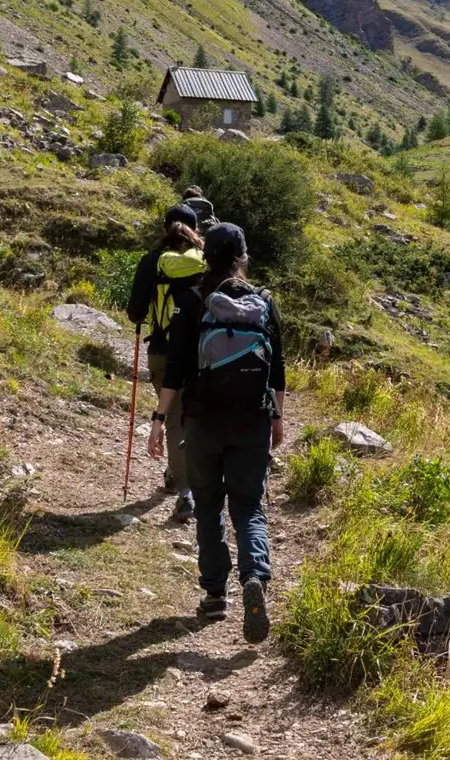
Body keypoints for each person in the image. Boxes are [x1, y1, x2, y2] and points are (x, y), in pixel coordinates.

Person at [147, 223, 285, 643]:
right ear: (243, 257)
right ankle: (253, 577)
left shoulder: (191, 301)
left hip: (202, 421)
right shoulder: (263, 303)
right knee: (249, 507)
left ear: (206, 255)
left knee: (208, 507)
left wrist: (158, 418)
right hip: (252, 421)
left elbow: (174, 370)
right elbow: (277, 368)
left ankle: (214, 596)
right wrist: (278, 418)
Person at [126, 205, 207, 522]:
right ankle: (183, 475)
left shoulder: (151, 261)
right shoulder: (206, 262)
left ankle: (185, 492)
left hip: (162, 351)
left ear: (166, 229)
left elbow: (134, 312)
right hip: (202, 354)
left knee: (173, 418)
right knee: (190, 418)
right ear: (194, 231)